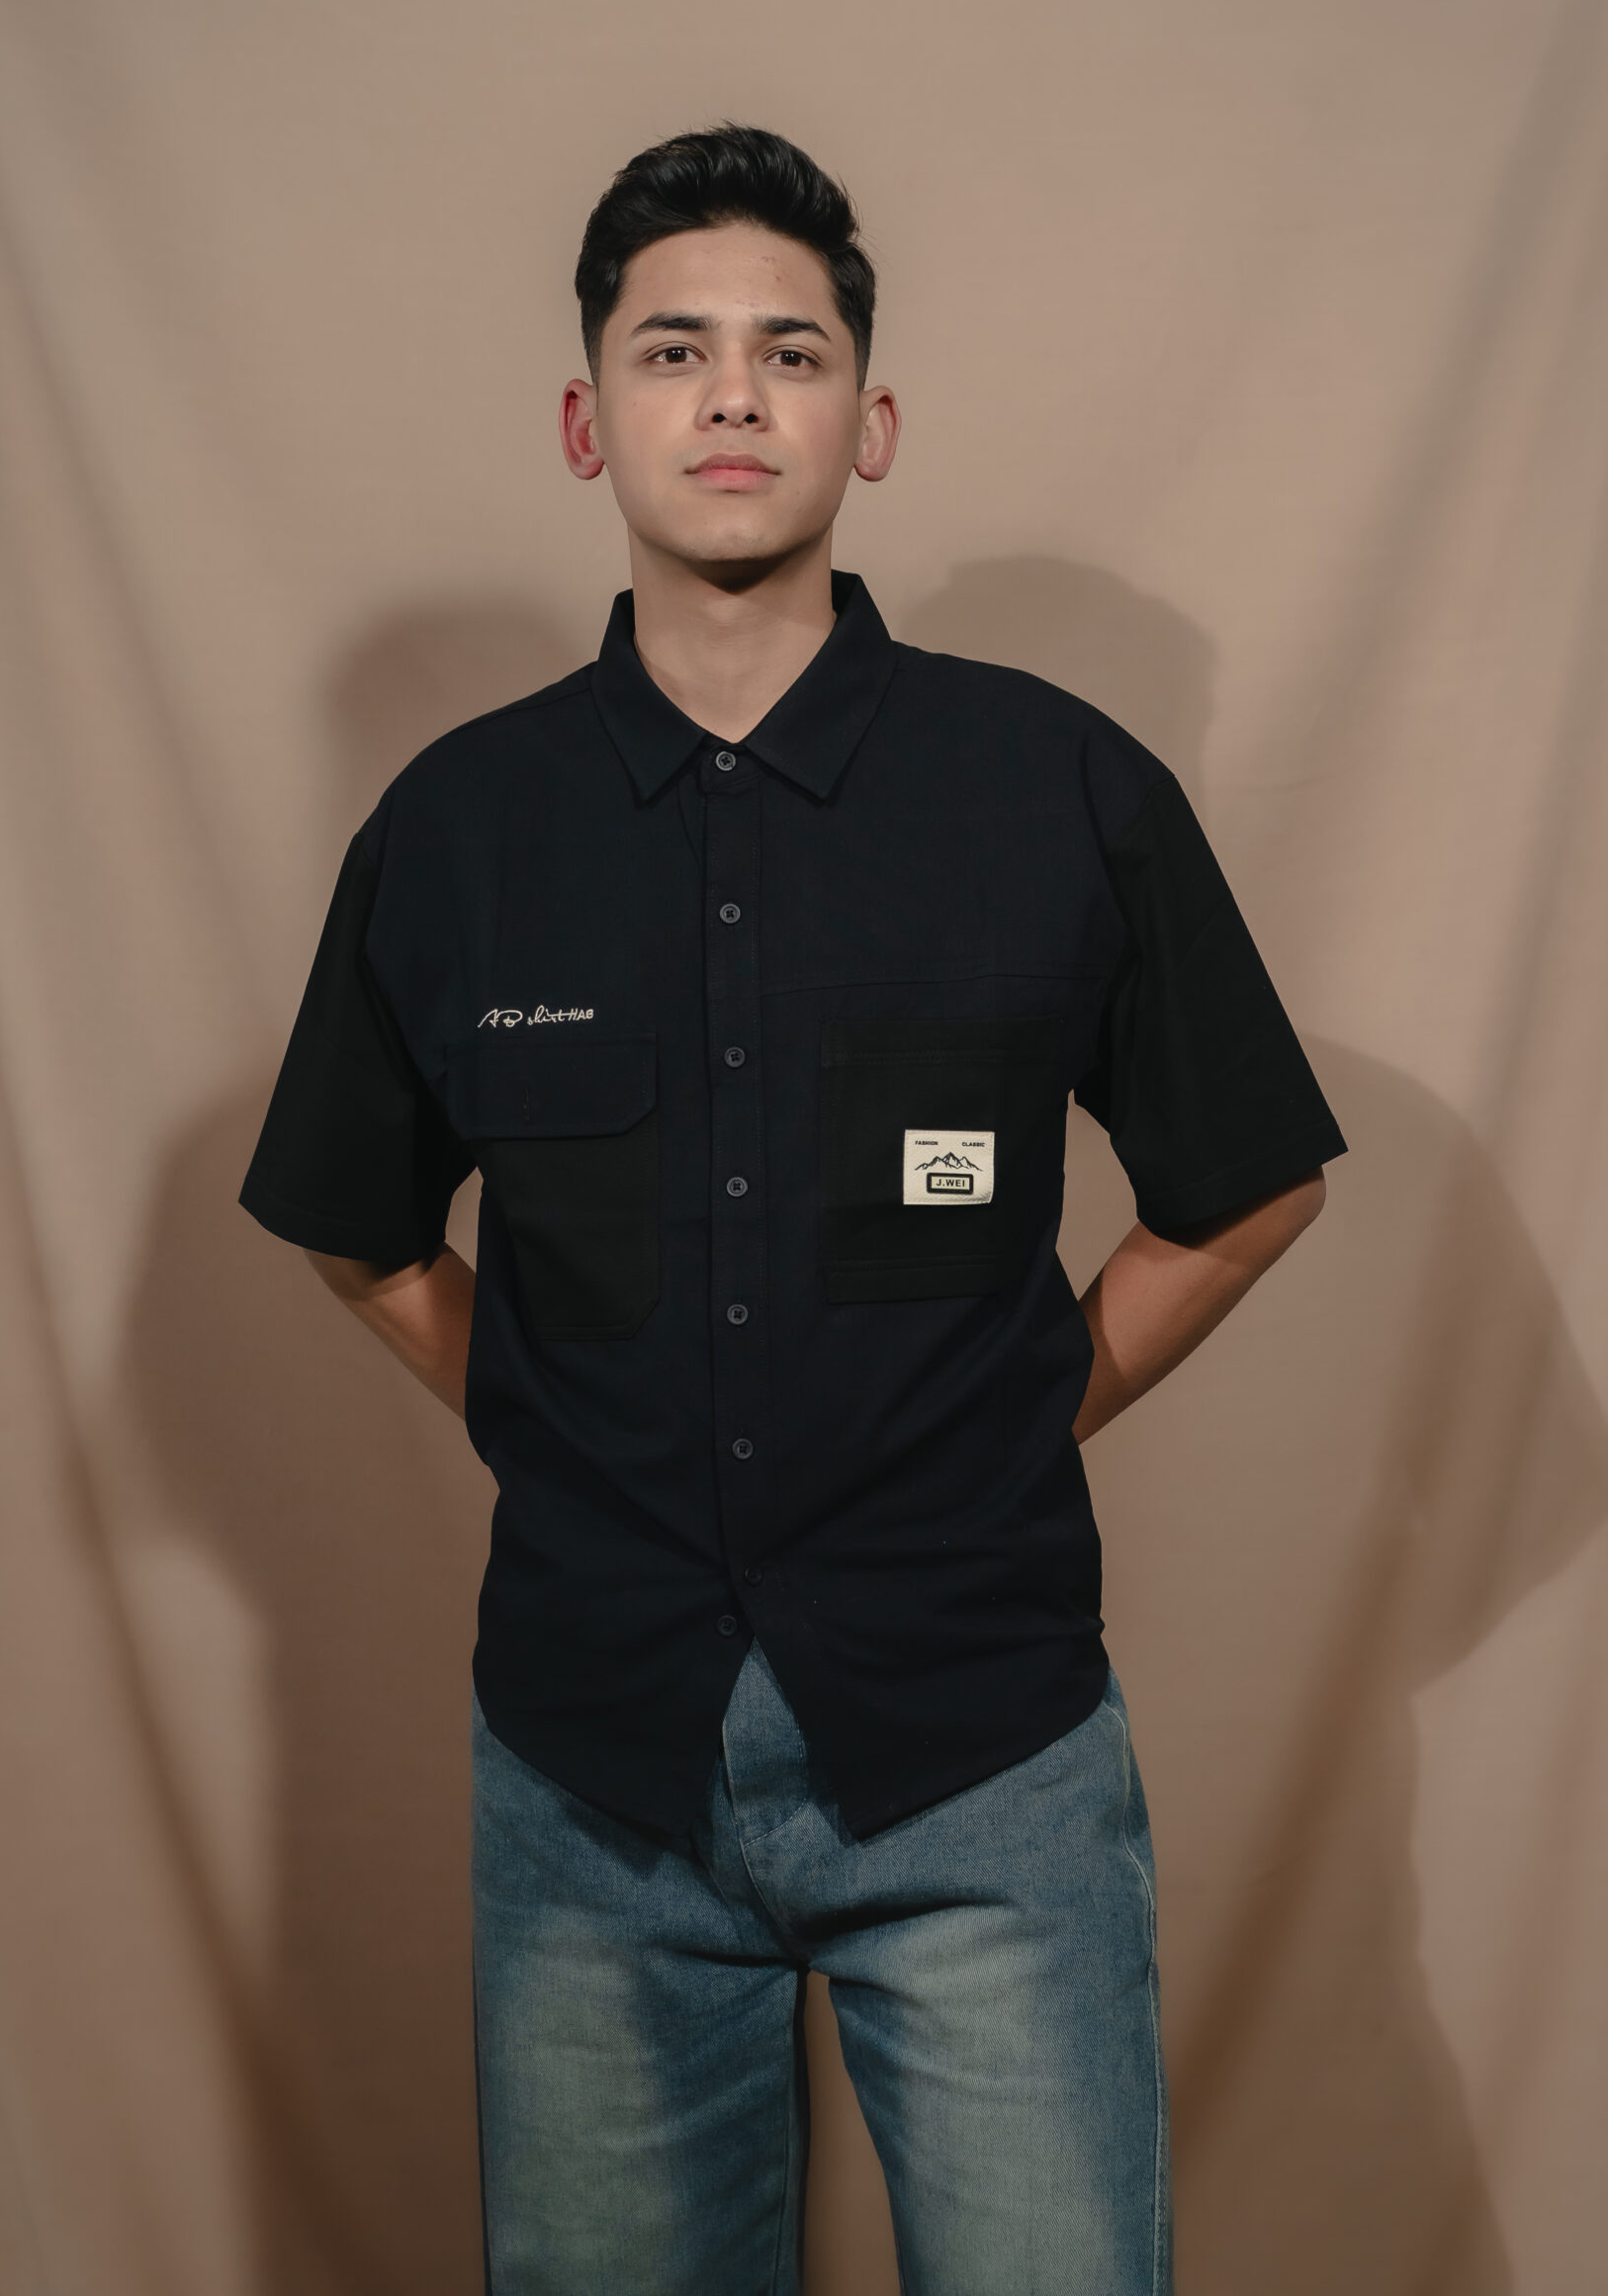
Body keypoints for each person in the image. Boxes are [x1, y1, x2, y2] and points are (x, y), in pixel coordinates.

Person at [239, 124, 1345, 2296]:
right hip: (591, 1780)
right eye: (674, 350)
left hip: (986, 1756)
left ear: (872, 421)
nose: (734, 395)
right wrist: (551, 1419)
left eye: (792, 351)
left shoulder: (1060, 788)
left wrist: (1019, 1415)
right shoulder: (458, 830)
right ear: (589, 421)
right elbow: (355, 1223)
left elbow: (1246, 1185)